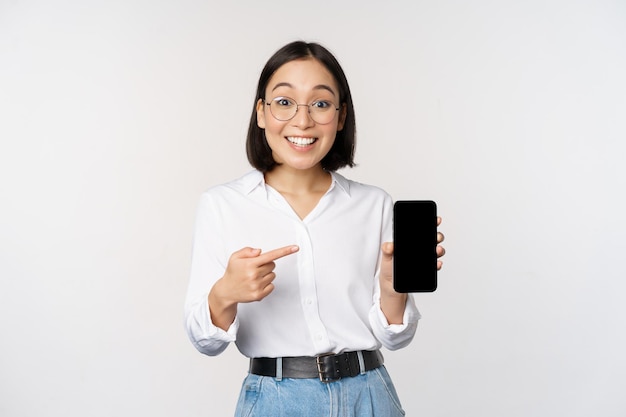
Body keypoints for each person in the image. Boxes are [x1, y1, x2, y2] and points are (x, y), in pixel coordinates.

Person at [184, 40, 446, 417]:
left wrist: (392, 287)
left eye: (321, 104)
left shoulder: (374, 205)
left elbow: (397, 336)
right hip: (275, 401)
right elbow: (205, 342)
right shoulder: (222, 205)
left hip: (369, 395)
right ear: (261, 112)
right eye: (284, 102)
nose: (303, 121)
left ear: (341, 117)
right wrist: (225, 293)